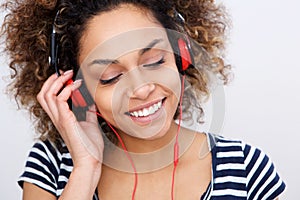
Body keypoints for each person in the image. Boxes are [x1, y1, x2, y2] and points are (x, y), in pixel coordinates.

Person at [1, 0, 285, 199]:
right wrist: (86, 169)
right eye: (111, 76)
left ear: (180, 56)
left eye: (154, 61)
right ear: (80, 90)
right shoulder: (51, 166)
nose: (141, 89)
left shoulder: (247, 168)